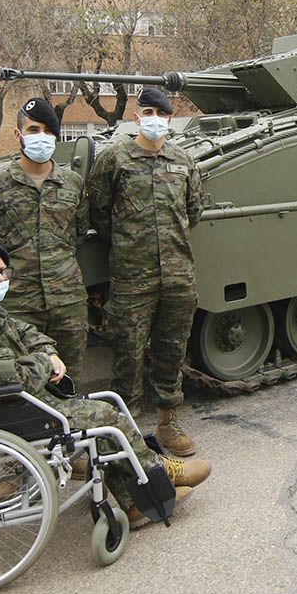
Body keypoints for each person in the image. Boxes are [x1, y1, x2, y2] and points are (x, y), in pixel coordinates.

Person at [0, 237, 211, 527]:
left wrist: (47, 351)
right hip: (2, 408)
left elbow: (25, 332)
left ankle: (137, 500)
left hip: (6, 401)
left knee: (104, 410)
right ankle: (159, 473)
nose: (0, 279)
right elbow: (14, 378)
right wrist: (44, 362)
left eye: (3, 272)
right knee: (106, 416)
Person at [87, 87, 204, 456]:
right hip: (132, 278)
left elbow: (193, 212)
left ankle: (168, 423)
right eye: (148, 112)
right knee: (128, 356)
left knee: (172, 350)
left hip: (177, 276)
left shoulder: (183, 160)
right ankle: (126, 431)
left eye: (162, 113)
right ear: (136, 117)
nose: (154, 119)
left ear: (170, 119)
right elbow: (99, 213)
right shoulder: (114, 159)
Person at [0, 97, 91, 384]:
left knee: (70, 377)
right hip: (16, 303)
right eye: (33, 130)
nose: (40, 137)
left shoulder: (73, 183)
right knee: (19, 381)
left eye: (47, 130)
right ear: (18, 135)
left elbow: (79, 232)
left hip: (67, 300)